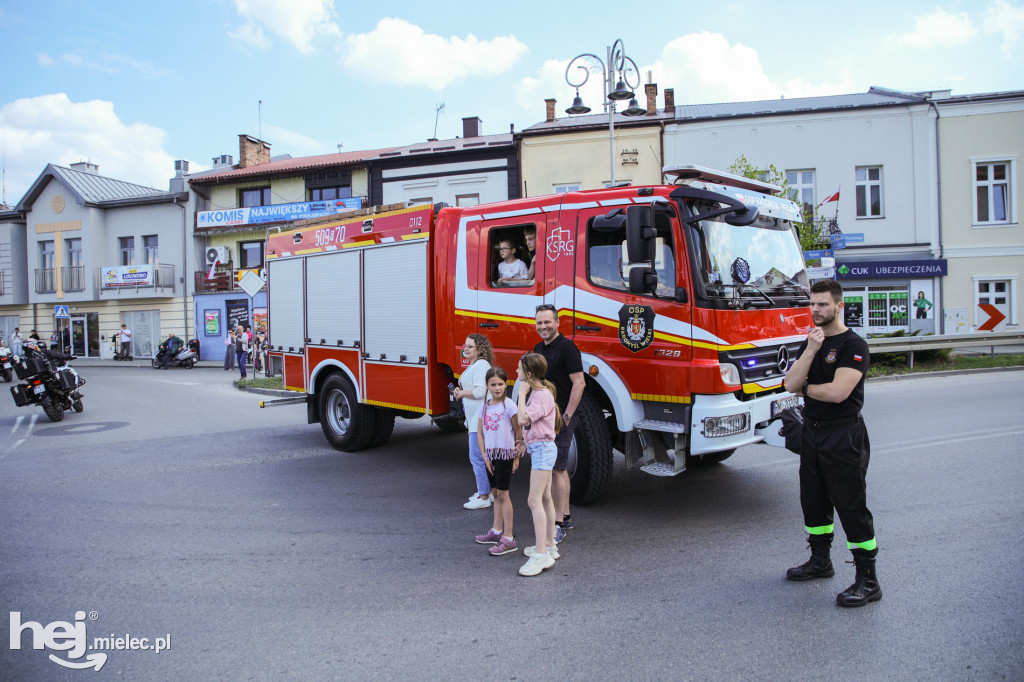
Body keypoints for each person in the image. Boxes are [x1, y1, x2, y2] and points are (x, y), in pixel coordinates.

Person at [783, 279, 880, 608]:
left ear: (839, 306)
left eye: (823, 304)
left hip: (843, 435)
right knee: (813, 501)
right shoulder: (811, 342)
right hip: (812, 432)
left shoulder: (855, 346)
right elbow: (789, 383)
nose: (816, 309)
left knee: (850, 506)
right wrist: (810, 351)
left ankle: (868, 580)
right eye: (813, 303)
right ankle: (820, 561)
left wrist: (805, 389)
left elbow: (838, 393)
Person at [533, 303, 585, 543]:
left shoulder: (567, 348)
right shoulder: (537, 348)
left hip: (561, 415)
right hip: (545, 416)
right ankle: (564, 516)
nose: (543, 326)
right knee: (554, 467)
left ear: (557, 323)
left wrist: (567, 416)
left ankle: (560, 521)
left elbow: (579, 383)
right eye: (539, 322)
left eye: (547, 322)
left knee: (557, 469)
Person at [516, 352, 562, 577]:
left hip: (543, 451)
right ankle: (549, 544)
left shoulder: (539, 395)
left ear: (528, 373)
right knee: (544, 498)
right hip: (540, 449)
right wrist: (524, 443)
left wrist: (521, 395)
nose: (516, 373)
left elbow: (523, 419)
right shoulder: (540, 393)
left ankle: (541, 554)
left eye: (519, 369)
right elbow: (531, 426)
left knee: (533, 500)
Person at [474, 367, 523, 556]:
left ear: (506, 384)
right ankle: (496, 530)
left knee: (504, 494)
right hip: (491, 455)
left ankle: (509, 537)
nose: (497, 388)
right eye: (493, 385)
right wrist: (485, 456)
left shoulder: (509, 406)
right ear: (487, 385)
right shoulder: (484, 406)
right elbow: (479, 433)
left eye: (500, 384)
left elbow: (518, 433)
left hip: (505, 455)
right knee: (495, 493)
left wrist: (516, 457)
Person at [452, 334, 493, 509]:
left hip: (480, 419)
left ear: (480, 349)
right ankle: (486, 492)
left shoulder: (481, 365)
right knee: (480, 457)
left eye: (470, 346)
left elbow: (480, 392)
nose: (465, 349)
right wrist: (459, 389)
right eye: (465, 345)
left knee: (476, 456)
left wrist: (461, 393)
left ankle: (483, 496)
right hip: (476, 419)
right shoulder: (476, 365)